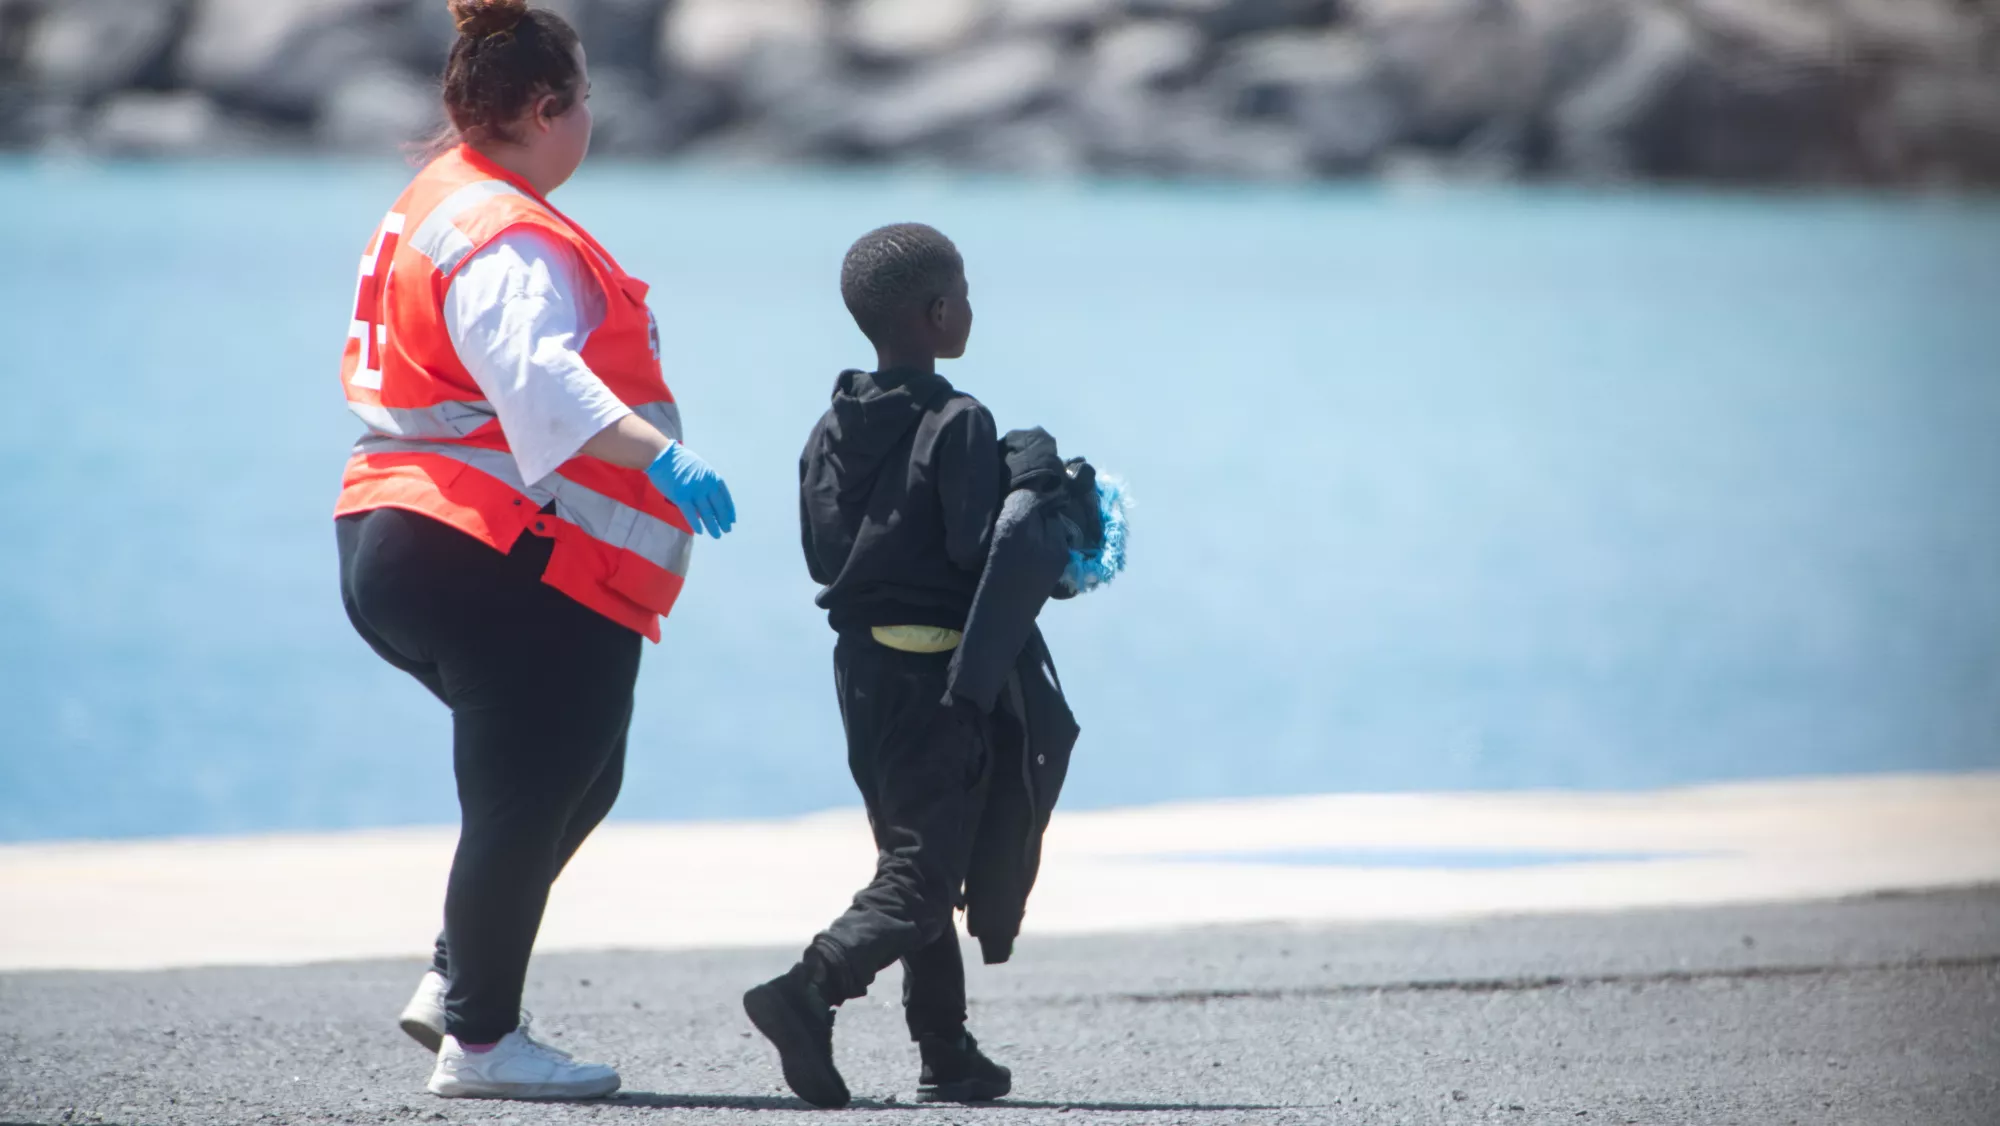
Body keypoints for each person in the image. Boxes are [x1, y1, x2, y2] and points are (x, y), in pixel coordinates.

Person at [332, 0, 734, 1101]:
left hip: (397, 531)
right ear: (547, 109)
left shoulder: (443, 196)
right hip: (484, 543)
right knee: (529, 784)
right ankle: (481, 1040)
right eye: (586, 98)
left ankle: (460, 982)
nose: (591, 117)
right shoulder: (508, 232)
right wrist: (661, 456)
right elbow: (536, 374)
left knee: (577, 771)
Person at [745, 223, 1110, 1108]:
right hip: (939, 679)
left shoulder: (829, 426)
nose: (972, 308)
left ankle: (945, 1049)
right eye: (966, 294)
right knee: (924, 874)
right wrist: (1033, 485)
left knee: (915, 849)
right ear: (939, 312)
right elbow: (977, 551)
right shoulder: (961, 420)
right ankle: (810, 989)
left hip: (861, 676)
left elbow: (821, 554)